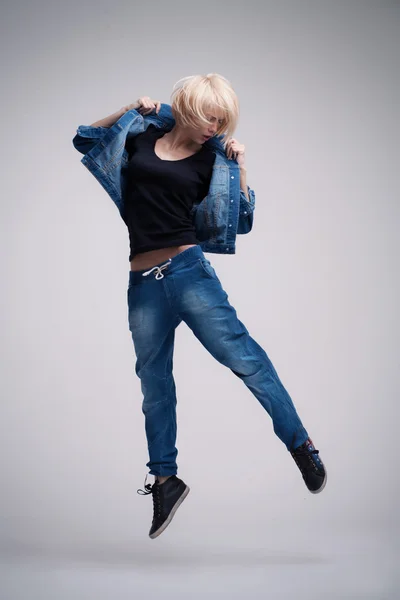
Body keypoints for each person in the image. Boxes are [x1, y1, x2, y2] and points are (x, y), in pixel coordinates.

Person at [72, 73, 327, 540]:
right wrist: (133, 107)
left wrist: (242, 165)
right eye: (211, 115)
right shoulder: (141, 133)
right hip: (142, 281)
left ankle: (301, 444)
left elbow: (243, 222)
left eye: (223, 119)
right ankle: (165, 481)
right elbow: (84, 139)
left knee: (245, 360)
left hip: (189, 273)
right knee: (153, 385)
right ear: (188, 107)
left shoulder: (217, 160)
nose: (216, 125)